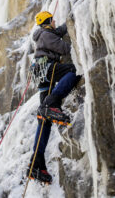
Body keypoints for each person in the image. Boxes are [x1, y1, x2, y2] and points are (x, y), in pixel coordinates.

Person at [26, 11, 81, 184]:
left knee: (44, 120)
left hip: (43, 78)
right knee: (74, 70)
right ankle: (53, 102)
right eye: (53, 20)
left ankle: (37, 163)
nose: (55, 22)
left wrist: (71, 19)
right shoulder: (46, 35)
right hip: (48, 69)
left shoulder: (45, 34)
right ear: (48, 22)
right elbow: (65, 48)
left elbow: (58, 32)